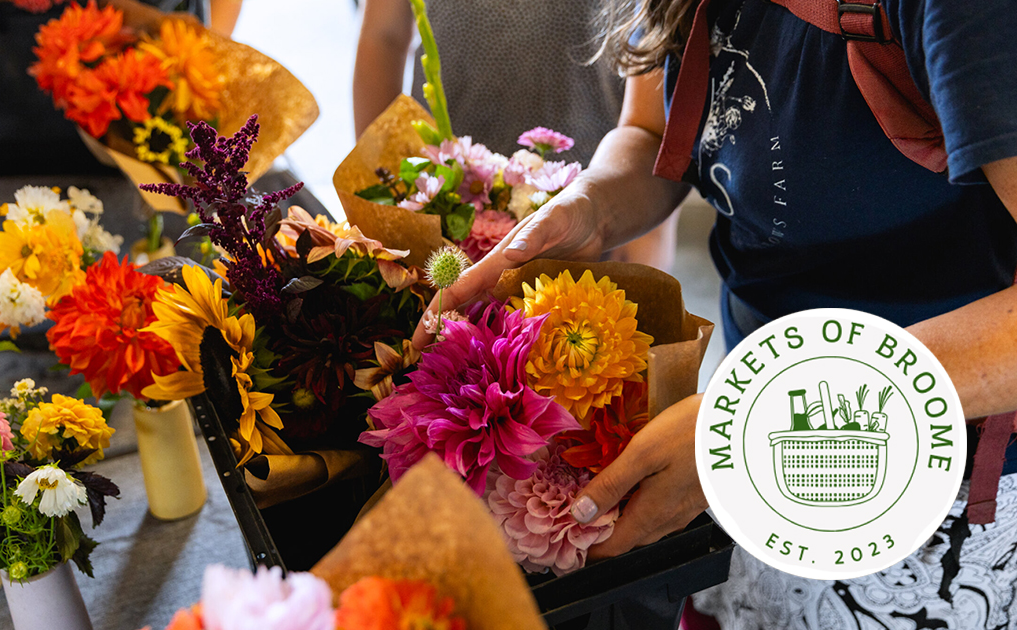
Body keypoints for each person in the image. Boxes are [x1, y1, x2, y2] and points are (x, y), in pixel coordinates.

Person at [411, 0, 1017, 626]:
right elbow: (652, 131)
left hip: (935, 490)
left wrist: (749, 417)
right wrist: (591, 207)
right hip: (757, 436)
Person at [353, 0, 679, 270]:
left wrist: (646, 236)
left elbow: (660, 66)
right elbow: (384, 37)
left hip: (596, 192)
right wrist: (383, 191)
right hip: (441, 191)